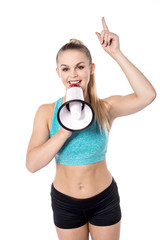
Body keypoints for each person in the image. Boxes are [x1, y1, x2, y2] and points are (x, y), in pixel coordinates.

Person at [26, 17, 156, 240]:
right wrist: (66, 129)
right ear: (58, 72)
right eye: (65, 69)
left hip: (104, 201)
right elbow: (32, 164)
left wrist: (116, 53)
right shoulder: (46, 112)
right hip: (65, 203)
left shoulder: (106, 107)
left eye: (80, 67)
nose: (73, 75)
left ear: (91, 69)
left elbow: (148, 95)